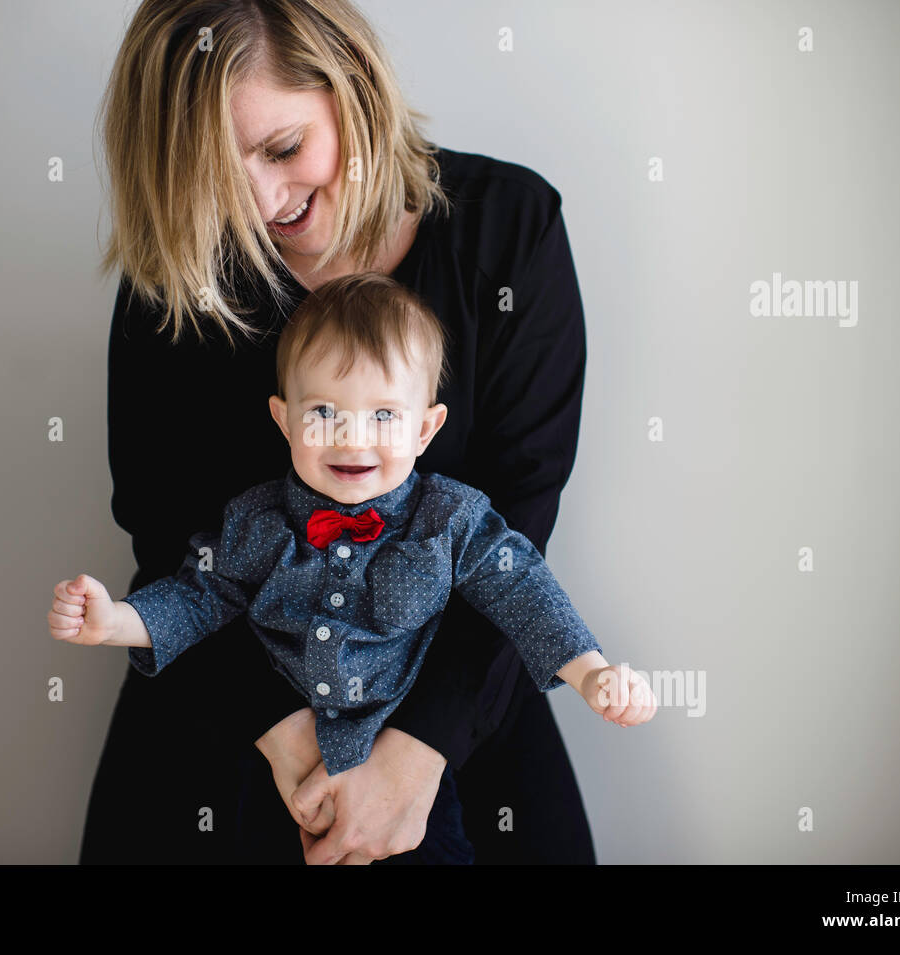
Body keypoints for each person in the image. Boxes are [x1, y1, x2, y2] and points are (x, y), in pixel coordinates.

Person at [81, 0, 606, 864]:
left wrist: (412, 760)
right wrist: (297, 752)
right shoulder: (173, 269)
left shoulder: (508, 229)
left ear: (352, 87)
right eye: (214, 170)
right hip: (230, 717)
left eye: (283, 148)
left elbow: (520, 524)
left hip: (461, 715)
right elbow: (165, 532)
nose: (261, 201)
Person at [52, 273, 656, 864]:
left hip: (404, 779)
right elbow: (198, 597)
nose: (351, 438)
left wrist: (590, 673)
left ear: (425, 429)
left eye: (384, 416)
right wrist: (117, 622)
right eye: (323, 412)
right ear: (283, 419)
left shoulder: (451, 520)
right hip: (277, 781)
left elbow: (523, 590)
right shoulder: (256, 521)